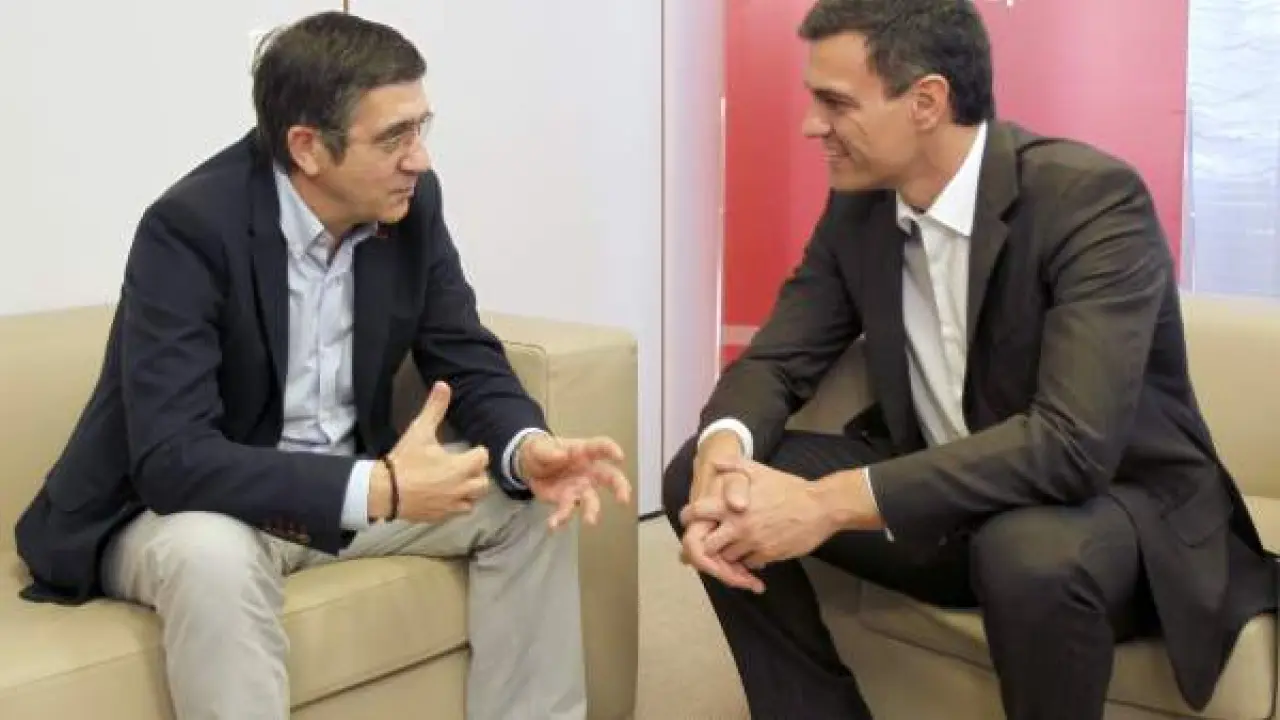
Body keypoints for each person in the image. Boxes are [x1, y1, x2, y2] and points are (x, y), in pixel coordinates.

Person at [663, 1, 1276, 719]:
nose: (811, 125)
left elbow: (1071, 447)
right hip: (944, 499)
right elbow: (776, 361)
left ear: (926, 101)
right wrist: (724, 455)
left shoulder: (1089, 200)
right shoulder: (859, 212)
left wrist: (824, 504)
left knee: (1027, 553)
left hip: (1112, 516)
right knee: (702, 480)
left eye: (836, 103)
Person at [13, 11, 630, 720]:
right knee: (211, 557)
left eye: (421, 128)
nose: (420, 159)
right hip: (197, 505)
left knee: (530, 502)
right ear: (307, 147)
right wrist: (378, 488)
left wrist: (527, 448)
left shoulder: (409, 205)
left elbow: (461, 350)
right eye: (394, 138)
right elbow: (173, 459)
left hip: (348, 485)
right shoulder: (188, 229)